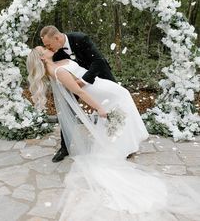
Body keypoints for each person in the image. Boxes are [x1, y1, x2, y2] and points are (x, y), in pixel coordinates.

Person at [26, 47, 200, 221]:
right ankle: (123, 145)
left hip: (100, 85)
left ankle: (127, 143)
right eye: (44, 49)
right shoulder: (58, 71)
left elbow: (81, 78)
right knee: (121, 105)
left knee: (123, 104)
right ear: (42, 57)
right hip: (100, 93)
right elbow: (79, 92)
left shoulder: (55, 64)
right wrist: (99, 107)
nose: (48, 48)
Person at [40, 25, 116, 162]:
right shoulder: (54, 51)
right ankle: (65, 147)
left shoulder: (80, 39)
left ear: (57, 38)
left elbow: (98, 61)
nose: (48, 48)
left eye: (48, 45)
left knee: (114, 105)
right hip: (74, 81)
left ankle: (120, 142)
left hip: (98, 75)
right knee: (66, 110)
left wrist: (84, 80)